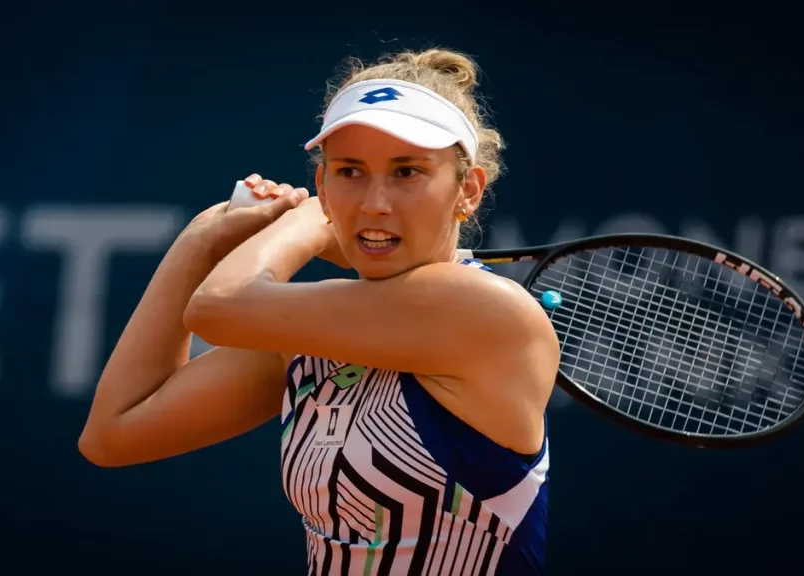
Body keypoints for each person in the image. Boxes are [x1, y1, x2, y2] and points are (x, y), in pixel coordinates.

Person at [78, 48, 560, 575]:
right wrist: (199, 241)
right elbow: (115, 433)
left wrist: (307, 218)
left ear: (466, 190)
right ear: (324, 179)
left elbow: (218, 307)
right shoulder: (313, 338)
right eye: (350, 171)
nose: (376, 201)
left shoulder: (484, 311)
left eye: (407, 172)